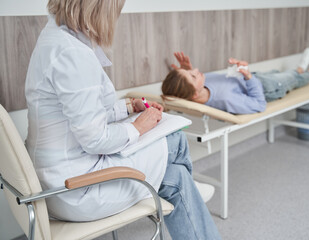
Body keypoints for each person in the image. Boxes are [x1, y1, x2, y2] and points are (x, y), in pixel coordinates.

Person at [25, 0, 221, 239]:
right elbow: (95, 139)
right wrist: (138, 127)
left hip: (55, 181)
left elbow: (79, 113)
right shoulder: (73, 53)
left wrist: (128, 108)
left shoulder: (54, 37)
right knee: (176, 139)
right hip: (76, 188)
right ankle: (193, 187)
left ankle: (189, 186)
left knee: (177, 178)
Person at [162, 48, 309, 114]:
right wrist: (248, 76)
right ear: (194, 94)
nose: (196, 71)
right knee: (292, 79)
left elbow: (191, 87)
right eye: (192, 75)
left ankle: (299, 69)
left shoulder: (200, 87)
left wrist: (187, 69)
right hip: (267, 88)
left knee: (282, 73)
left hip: (253, 78)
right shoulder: (225, 99)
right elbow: (259, 105)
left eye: (191, 71)